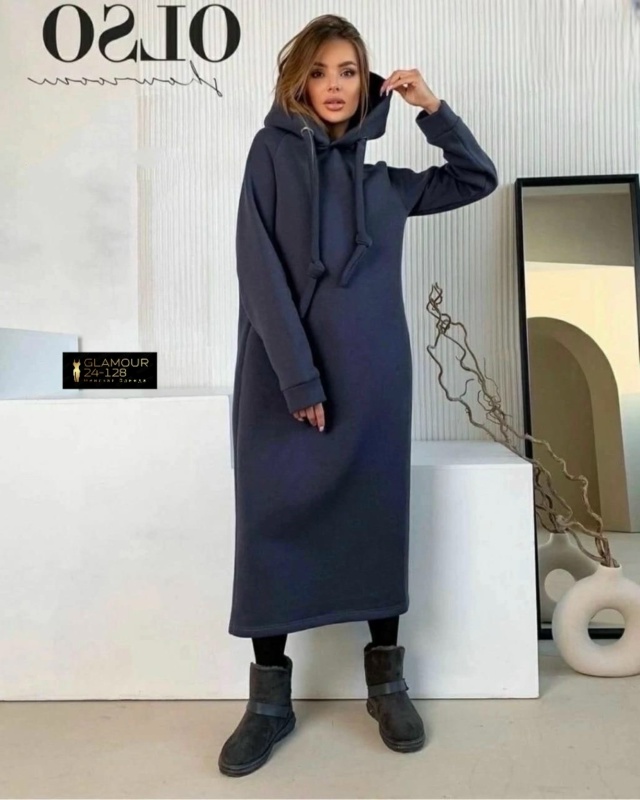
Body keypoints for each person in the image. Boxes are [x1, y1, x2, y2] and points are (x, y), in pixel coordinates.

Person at [219, 14, 498, 777]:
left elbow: (476, 178)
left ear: (368, 82)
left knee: (375, 521)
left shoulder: (385, 186)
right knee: (272, 523)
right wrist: (298, 377)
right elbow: (257, 268)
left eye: (348, 71)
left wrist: (431, 108)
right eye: (319, 71)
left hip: (374, 384)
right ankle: (269, 703)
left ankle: (386, 684)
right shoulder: (270, 155)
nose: (334, 85)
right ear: (298, 82)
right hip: (284, 380)